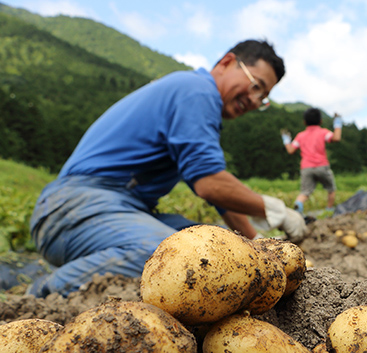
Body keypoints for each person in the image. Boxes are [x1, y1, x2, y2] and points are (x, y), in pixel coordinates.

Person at [28, 39, 307, 298]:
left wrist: (257, 245)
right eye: (256, 86)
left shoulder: (193, 97)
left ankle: (77, 270)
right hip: (72, 208)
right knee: (176, 257)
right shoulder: (196, 92)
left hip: (115, 208)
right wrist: (277, 211)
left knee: (215, 246)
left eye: (263, 98)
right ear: (226, 62)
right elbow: (210, 183)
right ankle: (43, 293)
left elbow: (221, 199)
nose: (255, 100)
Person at [282, 109, 342, 213]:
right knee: (331, 189)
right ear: (321, 121)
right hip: (322, 166)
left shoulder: (300, 136)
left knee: (305, 192)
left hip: (306, 167)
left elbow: (290, 150)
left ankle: (298, 204)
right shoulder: (323, 132)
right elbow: (336, 138)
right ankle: (329, 210)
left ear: (304, 122)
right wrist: (337, 123)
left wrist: (286, 139)